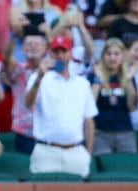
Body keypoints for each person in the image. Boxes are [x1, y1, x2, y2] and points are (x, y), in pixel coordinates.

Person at [24, 35, 97, 177]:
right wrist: (39, 76)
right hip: (47, 149)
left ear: (70, 54)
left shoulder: (82, 83)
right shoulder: (39, 77)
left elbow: (88, 121)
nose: (60, 56)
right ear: (50, 54)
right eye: (56, 52)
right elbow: (28, 103)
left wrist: (87, 152)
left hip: (75, 149)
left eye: (64, 52)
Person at [89, 38, 138, 155]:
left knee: (128, 170)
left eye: (116, 54)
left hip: (125, 132)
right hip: (101, 132)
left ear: (123, 56)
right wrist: (98, 80)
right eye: (108, 54)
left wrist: (129, 79)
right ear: (103, 56)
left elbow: (132, 107)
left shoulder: (128, 76)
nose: (112, 58)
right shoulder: (94, 76)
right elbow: (90, 105)